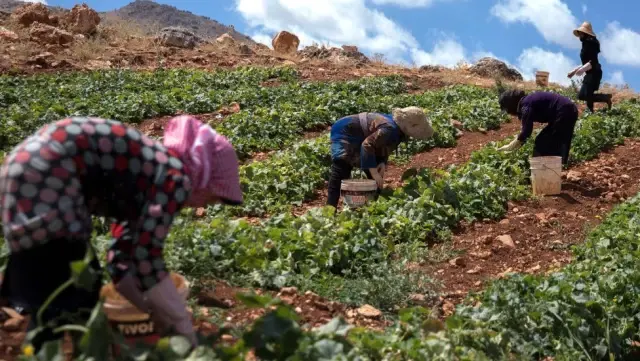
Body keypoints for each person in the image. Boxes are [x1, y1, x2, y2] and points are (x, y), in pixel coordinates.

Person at [0, 115, 243, 352]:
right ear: (204, 175)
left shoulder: (149, 173)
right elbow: (147, 260)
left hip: (26, 167)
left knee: (74, 283)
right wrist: (181, 327)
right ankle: (45, 349)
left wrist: (152, 313)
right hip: (48, 175)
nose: (201, 204)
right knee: (66, 293)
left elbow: (121, 260)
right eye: (210, 197)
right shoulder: (174, 177)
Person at [327, 107, 434, 208]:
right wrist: (374, 173)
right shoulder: (390, 129)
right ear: (411, 125)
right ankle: (330, 208)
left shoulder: (398, 130)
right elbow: (367, 145)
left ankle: (371, 204)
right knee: (342, 167)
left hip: (360, 134)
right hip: (344, 130)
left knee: (375, 172)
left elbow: (382, 145)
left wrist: (382, 162)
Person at [497, 89, 579, 165]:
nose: (510, 114)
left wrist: (512, 145)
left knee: (542, 142)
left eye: (508, 110)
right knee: (555, 141)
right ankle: (552, 167)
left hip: (564, 111)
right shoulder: (527, 101)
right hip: (569, 110)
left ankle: (541, 169)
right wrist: (519, 141)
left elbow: (526, 131)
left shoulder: (525, 105)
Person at [567, 21, 612, 112]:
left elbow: (592, 61)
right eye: (579, 33)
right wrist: (574, 71)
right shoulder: (586, 44)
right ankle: (591, 111)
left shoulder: (590, 43)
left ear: (585, 33)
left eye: (581, 33)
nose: (579, 35)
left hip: (594, 72)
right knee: (586, 95)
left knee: (584, 95)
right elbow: (586, 62)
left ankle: (605, 98)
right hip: (591, 72)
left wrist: (582, 69)